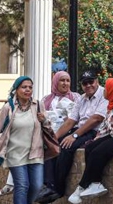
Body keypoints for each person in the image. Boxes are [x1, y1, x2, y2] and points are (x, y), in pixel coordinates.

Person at [35, 69, 107, 204]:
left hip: (94, 131)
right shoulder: (82, 98)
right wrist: (54, 138)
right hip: (79, 129)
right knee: (53, 145)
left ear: (97, 81)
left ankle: (58, 189)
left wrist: (74, 135)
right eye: (85, 83)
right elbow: (70, 121)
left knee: (67, 148)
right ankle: (49, 185)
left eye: (91, 82)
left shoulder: (103, 95)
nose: (88, 85)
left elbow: (95, 119)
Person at [0, 76, 51, 204]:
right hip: (15, 154)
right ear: (16, 90)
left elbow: (48, 127)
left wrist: (44, 120)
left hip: (36, 153)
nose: (27, 90)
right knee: (22, 186)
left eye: (30, 87)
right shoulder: (8, 107)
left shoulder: (38, 105)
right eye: (24, 87)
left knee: (37, 186)